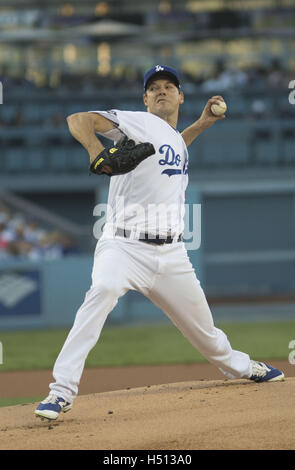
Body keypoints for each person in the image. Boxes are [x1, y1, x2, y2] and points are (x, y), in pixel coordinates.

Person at [35, 65, 284, 421]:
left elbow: (173, 146)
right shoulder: (136, 122)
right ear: (145, 99)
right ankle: (60, 392)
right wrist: (94, 150)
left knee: (206, 332)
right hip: (123, 247)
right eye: (154, 88)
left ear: (180, 96)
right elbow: (78, 119)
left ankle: (239, 366)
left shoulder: (173, 140)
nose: (161, 91)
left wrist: (200, 125)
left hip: (171, 255)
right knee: (101, 291)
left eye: (169, 86)